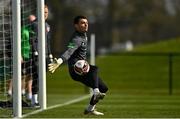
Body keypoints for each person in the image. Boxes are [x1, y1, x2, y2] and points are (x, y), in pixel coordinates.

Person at [48, 15, 108, 115]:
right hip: (75, 70)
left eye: (87, 23)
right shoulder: (77, 38)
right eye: (82, 23)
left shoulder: (83, 35)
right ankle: (96, 92)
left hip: (82, 69)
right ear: (76, 26)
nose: (85, 25)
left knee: (104, 88)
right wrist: (59, 61)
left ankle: (90, 108)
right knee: (94, 69)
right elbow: (69, 51)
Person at [31, 5, 53, 107]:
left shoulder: (47, 25)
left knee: (42, 75)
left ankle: (39, 98)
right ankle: (33, 99)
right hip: (36, 55)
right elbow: (32, 39)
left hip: (45, 55)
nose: (45, 14)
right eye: (43, 12)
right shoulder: (35, 24)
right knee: (37, 75)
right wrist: (35, 51)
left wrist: (50, 53)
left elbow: (48, 41)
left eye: (46, 12)